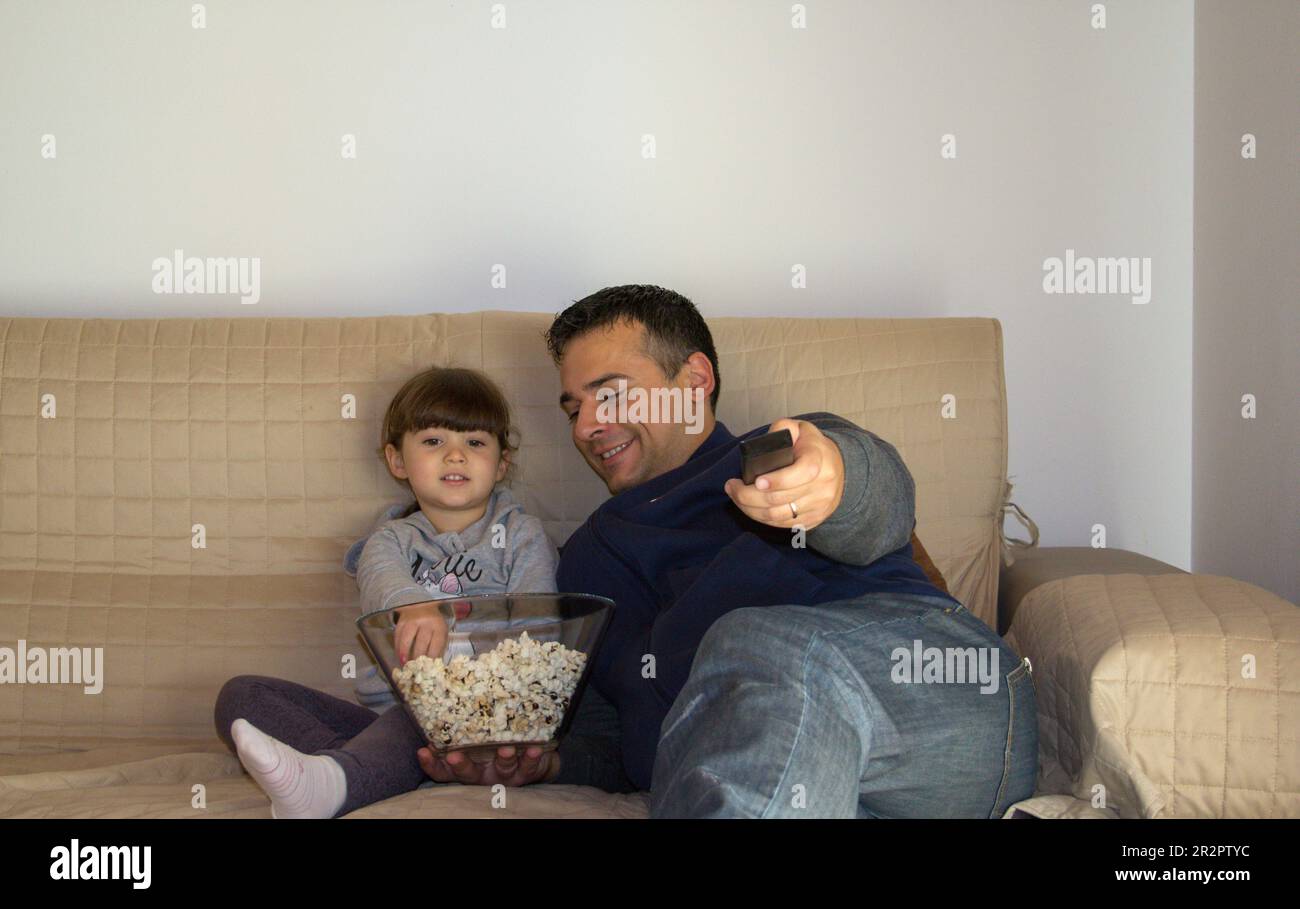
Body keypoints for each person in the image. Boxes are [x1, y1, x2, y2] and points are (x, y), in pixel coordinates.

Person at [418, 285, 1039, 818]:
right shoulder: (584, 563)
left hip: (940, 709)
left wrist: (832, 478)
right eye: (574, 408)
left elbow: (880, 503)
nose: (585, 427)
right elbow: (622, 742)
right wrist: (546, 760)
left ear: (693, 381)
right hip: (786, 781)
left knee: (755, 642)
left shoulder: (778, 456)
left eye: (609, 396)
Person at [212, 366, 559, 818]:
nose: (456, 456)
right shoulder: (390, 539)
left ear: (501, 463)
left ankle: (342, 780)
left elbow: (538, 629)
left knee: (424, 711)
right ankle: (360, 767)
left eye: (474, 442)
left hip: (482, 718)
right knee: (241, 696)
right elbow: (380, 577)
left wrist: (518, 716)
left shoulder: (521, 535)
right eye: (434, 441)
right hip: (388, 721)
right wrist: (414, 605)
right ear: (397, 461)